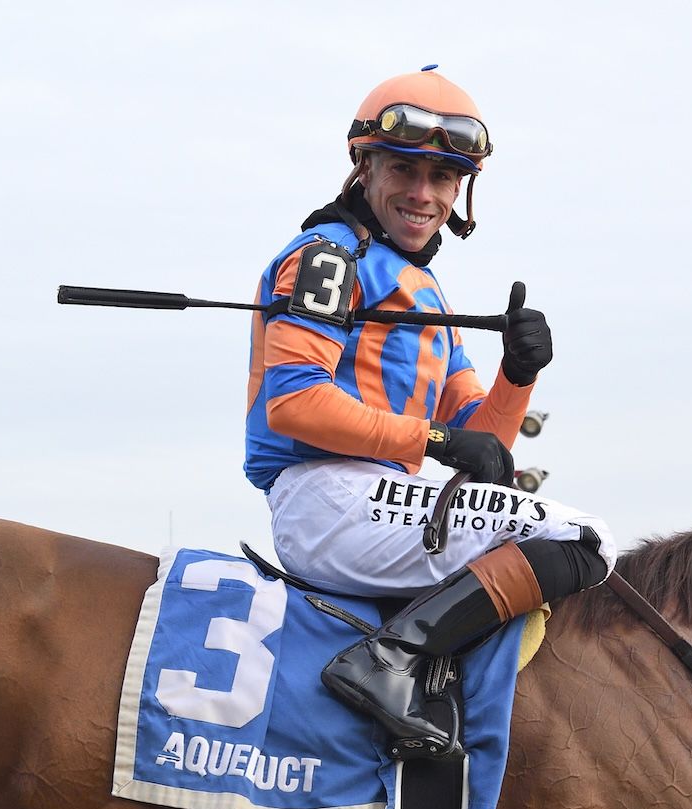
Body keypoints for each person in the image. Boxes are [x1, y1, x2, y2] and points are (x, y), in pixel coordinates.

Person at [244, 67, 615, 746]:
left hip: (379, 496)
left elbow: (484, 442)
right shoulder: (327, 257)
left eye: (442, 177)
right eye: (404, 170)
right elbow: (293, 404)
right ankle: (389, 659)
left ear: (460, 191)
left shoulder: (422, 285)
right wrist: (435, 442)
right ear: (364, 168)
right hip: (325, 498)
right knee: (582, 539)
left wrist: (518, 375)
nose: (422, 193)